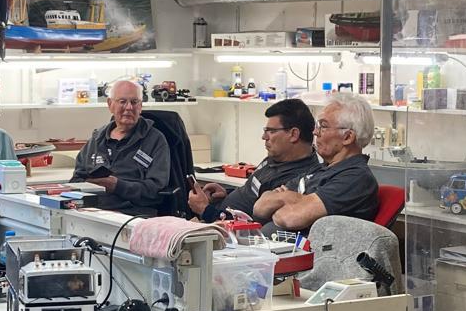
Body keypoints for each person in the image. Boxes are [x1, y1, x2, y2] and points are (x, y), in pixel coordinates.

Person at [254, 94, 379, 232]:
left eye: (323, 126)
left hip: (303, 246)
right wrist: (299, 199)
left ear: (347, 137)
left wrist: (286, 197)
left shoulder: (356, 178)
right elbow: (260, 207)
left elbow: (289, 218)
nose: (315, 132)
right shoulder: (319, 169)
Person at [188, 98, 319, 223]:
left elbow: (253, 225)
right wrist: (225, 193)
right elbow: (251, 194)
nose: (264, 137)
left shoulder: (296, 181)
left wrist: (205, 210)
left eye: (271, 131)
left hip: (224, 230)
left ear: (294, 134)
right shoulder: (276, 158)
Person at [71, 78, 173, 217]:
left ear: (140, 106)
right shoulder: (97, 139)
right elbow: (76, 181)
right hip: (94, 212)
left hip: (134, 215)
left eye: (134, 102)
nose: (129, 107)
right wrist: (92, 184)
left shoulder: (155, 140)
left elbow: (156, 190)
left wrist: (117, 186)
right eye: (122, 101)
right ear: (110, 104)